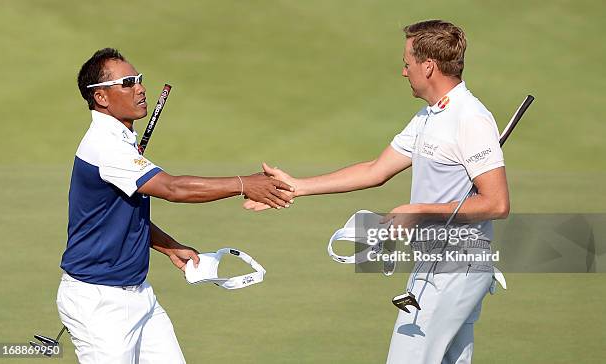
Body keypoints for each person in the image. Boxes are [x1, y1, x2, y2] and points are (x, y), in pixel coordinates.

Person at [244, 20, 509, 364]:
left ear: (428, 66)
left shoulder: (469, 117)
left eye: (408, 62)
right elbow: (376, 169)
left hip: (456, 264)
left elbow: (497, 203)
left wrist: (420, 211)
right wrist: (299, 186)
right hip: (436, 261)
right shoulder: (431, 115)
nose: (404, 71)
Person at [58, 48, 294, 363]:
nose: (140, 88)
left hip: (139, 295)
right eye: (128, 83)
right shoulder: (106, 147)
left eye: (139, 79)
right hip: (99, 302)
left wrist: (170, 247)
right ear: (100, 97)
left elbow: (122, 217)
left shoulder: (121, 140)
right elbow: (173, 188)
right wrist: (244, 184)